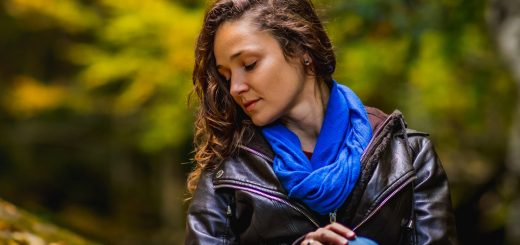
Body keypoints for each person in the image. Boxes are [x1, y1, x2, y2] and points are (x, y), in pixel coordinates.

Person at [185, 0, 458, 244]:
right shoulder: (226, 171)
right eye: (226, 75)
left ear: (302, 49)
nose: (235, 88)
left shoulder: (409, 156)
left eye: (249, 64)